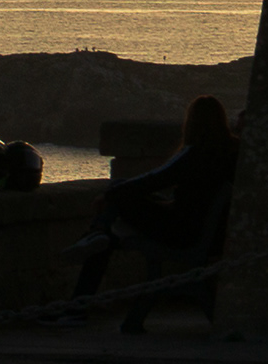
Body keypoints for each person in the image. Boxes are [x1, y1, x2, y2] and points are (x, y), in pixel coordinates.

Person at [65, 95, 239, 303]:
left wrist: (109, 195)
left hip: (180, 233)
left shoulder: (193, 155)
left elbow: (153, 180)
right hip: (211, 236)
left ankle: (95, 235)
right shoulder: (235, 151)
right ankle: (98, 235)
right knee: (110, 235)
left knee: (117, 190)